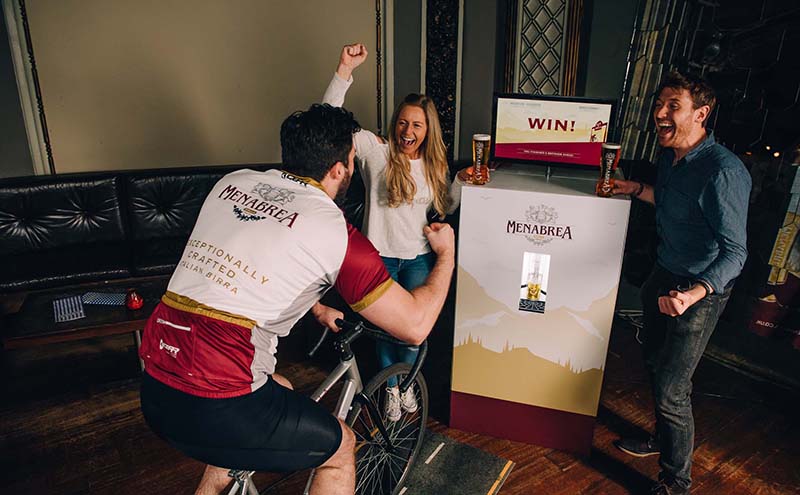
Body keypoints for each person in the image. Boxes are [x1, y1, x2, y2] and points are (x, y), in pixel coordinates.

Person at [138, 103, 456, 495]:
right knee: (342, 448)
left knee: (281, 386)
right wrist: (446, 255)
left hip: (155, 387)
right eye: (352, 160)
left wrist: (316, 306)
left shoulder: (232, 183)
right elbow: (416, 325)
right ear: (338, 169)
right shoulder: (337, 233)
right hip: (223, 401)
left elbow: (251, 265)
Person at [611, 72, 751, 494]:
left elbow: (736, 252)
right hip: (664, 274)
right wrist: (635, 188)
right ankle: (660, 438)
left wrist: (693, 294)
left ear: (701, 114)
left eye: (673, 105)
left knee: (673, 389)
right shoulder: (671, 157)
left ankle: (676, 482)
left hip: (698, 291)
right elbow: (671, 202)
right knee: (656, 364)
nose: (660, 113)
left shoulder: (723, 172)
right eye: (659, 104)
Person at [322, 43, 461, 421]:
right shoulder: (375, 151)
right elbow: (330, 120)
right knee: (385, 333)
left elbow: (446, 206)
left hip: (418, 258)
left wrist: (463, 181)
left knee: (414, 333)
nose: (407, 130)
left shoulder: (434, 164)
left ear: (427, 130)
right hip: (379, 257)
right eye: (402, 122)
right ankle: (392, 390)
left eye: (416, 125)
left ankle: (408, 382)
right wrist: (345, 69)